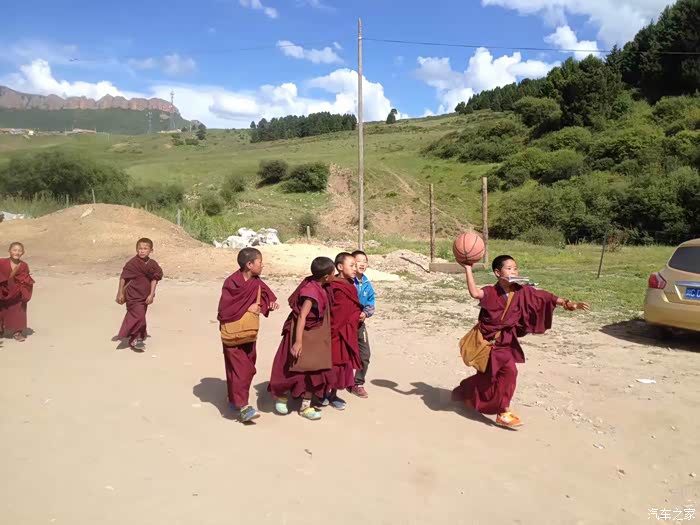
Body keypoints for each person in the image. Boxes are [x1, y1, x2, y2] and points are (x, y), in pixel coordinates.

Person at [451, 255, 589, 428]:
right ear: (497, 273)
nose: (514, 272)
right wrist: (468, 268)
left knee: (502, 374)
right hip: (488, 343)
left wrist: (567, 303)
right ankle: (485, 403)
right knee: (497, 375)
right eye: (509, 268)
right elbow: (475, 293)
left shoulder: (522, 291)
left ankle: (485, 403)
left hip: (506, 342)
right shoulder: (491, 292)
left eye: (515, 268)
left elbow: (544, 297)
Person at [268, 257, 336, 421]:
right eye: (333, 273)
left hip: (315, 336)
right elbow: (302, 316)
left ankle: (305, 406)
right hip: (300, 333)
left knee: (314, 370)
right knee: (291, 366)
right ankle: (281, 397)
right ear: (326, 276)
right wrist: (298, 342)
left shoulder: (318, 283)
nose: (335, 276)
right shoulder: (311, 292)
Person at [217, 248, 278, 423]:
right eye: (260, 262)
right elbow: (225, 309)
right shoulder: (231, 283)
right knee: (240, 370)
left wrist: (269, 305)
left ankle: (234, 399)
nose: (262, 265)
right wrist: (247, 308)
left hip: (249, 334)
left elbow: (267, 298)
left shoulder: (257, 282)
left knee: (248, 368)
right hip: (232, 333)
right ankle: (243, 407)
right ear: (249, 264)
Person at [324, 252, 363, 410]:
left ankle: (333, 394)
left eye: (356, 265)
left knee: (342, 364)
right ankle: (321, 393)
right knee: (330, 363)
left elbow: (352, 306)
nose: (355, 268)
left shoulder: (350, 285)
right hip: (333, 331)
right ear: (340, 267)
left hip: (347, 331)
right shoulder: (332, 284)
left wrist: (358, 314)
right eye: (351, 265)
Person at [116, 238, 163, 351]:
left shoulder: (152, 264)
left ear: (151, 250)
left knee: (140, 316)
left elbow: (154, 279)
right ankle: (135, 339)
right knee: (139, 316)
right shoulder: (132, 263)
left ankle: (137, 336)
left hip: (144, 295)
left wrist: (151, 294)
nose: (142, 251)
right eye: (140, 248)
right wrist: (120, 293)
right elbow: (123, 278)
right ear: (136, 250)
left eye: (145, 249)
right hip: (132, 294)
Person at [350, 250, 376, 398]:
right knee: (341, 354)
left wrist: (365, 313)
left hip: (359, 325)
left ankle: (358, 383)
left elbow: (371, 304)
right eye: (358, 261)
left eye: (365, 261)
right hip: (345, 324)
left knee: (365, 354)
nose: (362, 264)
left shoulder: (366, 283)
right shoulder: (347, 281)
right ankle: (334, 384)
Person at [0, 242, 35, 342]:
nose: (17, 252)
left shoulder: (24, 265)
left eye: (20, 251)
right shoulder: (1, 262)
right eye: (14, 250)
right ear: (9, 251)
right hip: (2, 290)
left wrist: (23, 288)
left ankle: (17, 332)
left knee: (18, 310)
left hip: (16, 292)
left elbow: (26, 278)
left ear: (23, 253)